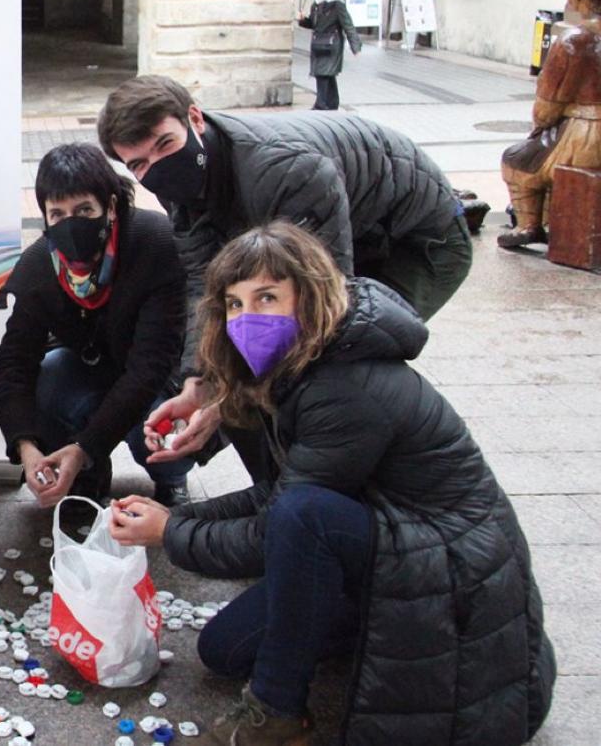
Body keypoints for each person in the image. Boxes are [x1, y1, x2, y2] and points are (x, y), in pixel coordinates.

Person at [108, 223, 555, 745]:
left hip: (447, 562)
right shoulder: (301, 367)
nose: (247, 319)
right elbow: (281, 492)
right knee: (225, 650)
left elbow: (284, 523)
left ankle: (277, 716)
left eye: (267, 297)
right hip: (384, 533)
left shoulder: (341, 386)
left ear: (309, 297)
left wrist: (169, 533)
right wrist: (181, 518)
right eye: (234, 304)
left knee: (302, 517)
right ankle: (362, 621)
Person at [97, 74, 472, 481]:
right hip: (346, 224)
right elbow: (205, 286)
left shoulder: (284, 170)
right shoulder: (177, 178)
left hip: (418, 238)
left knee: (338, 351)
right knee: (246, 354)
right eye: (139, 164)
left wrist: (228, 400)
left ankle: (357, 482)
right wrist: (200, 381)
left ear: (195, 119)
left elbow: (322, 304)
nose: (156, 166)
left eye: (165, 144)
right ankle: (278, 491)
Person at [0, 143, 192, 511]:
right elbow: (12, 364)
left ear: (110, 206)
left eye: (84, 210)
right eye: (58, 214)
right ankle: (85, 476)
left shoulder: (155, 244)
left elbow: (151, 366)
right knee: (51, 373)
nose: (71, 224)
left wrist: (85, 446)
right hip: (92, 368)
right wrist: (26, 446)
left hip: (159, 377)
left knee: (157, 424)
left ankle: (171, 477)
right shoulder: (38, 268)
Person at [498, 0, 601, 248]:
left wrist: (542, 122)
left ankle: (528, 225)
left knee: (516, 159)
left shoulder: (574, 41)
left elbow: (547, 107)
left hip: (587, 135)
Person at [298, 0, 361, 111]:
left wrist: (355, 46)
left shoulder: (337, 4)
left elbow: (348, 25)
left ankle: (321, 104)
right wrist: (303, 20)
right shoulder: (315, 5)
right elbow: (314, 23)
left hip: (331, 45)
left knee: (323, 73)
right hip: (318, 44)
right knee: (327, 74)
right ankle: (332, 102)